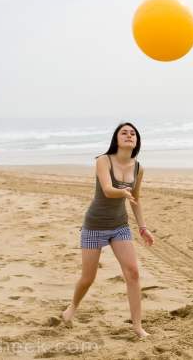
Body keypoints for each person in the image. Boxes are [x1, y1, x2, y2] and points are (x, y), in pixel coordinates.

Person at [62, 122, 154, 338]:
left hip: (119, 226)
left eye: (133, 133)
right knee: (88, 278)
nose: (129, 135)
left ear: (137, 141)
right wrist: (123, 192)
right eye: (124, 132)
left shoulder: (139, 168)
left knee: (133, 272)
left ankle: (138, 327)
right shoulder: (103, 160)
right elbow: (107, 190)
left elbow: (136, 199)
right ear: (116, 139)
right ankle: (72, 307)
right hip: (94, 225)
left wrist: (143, 227)